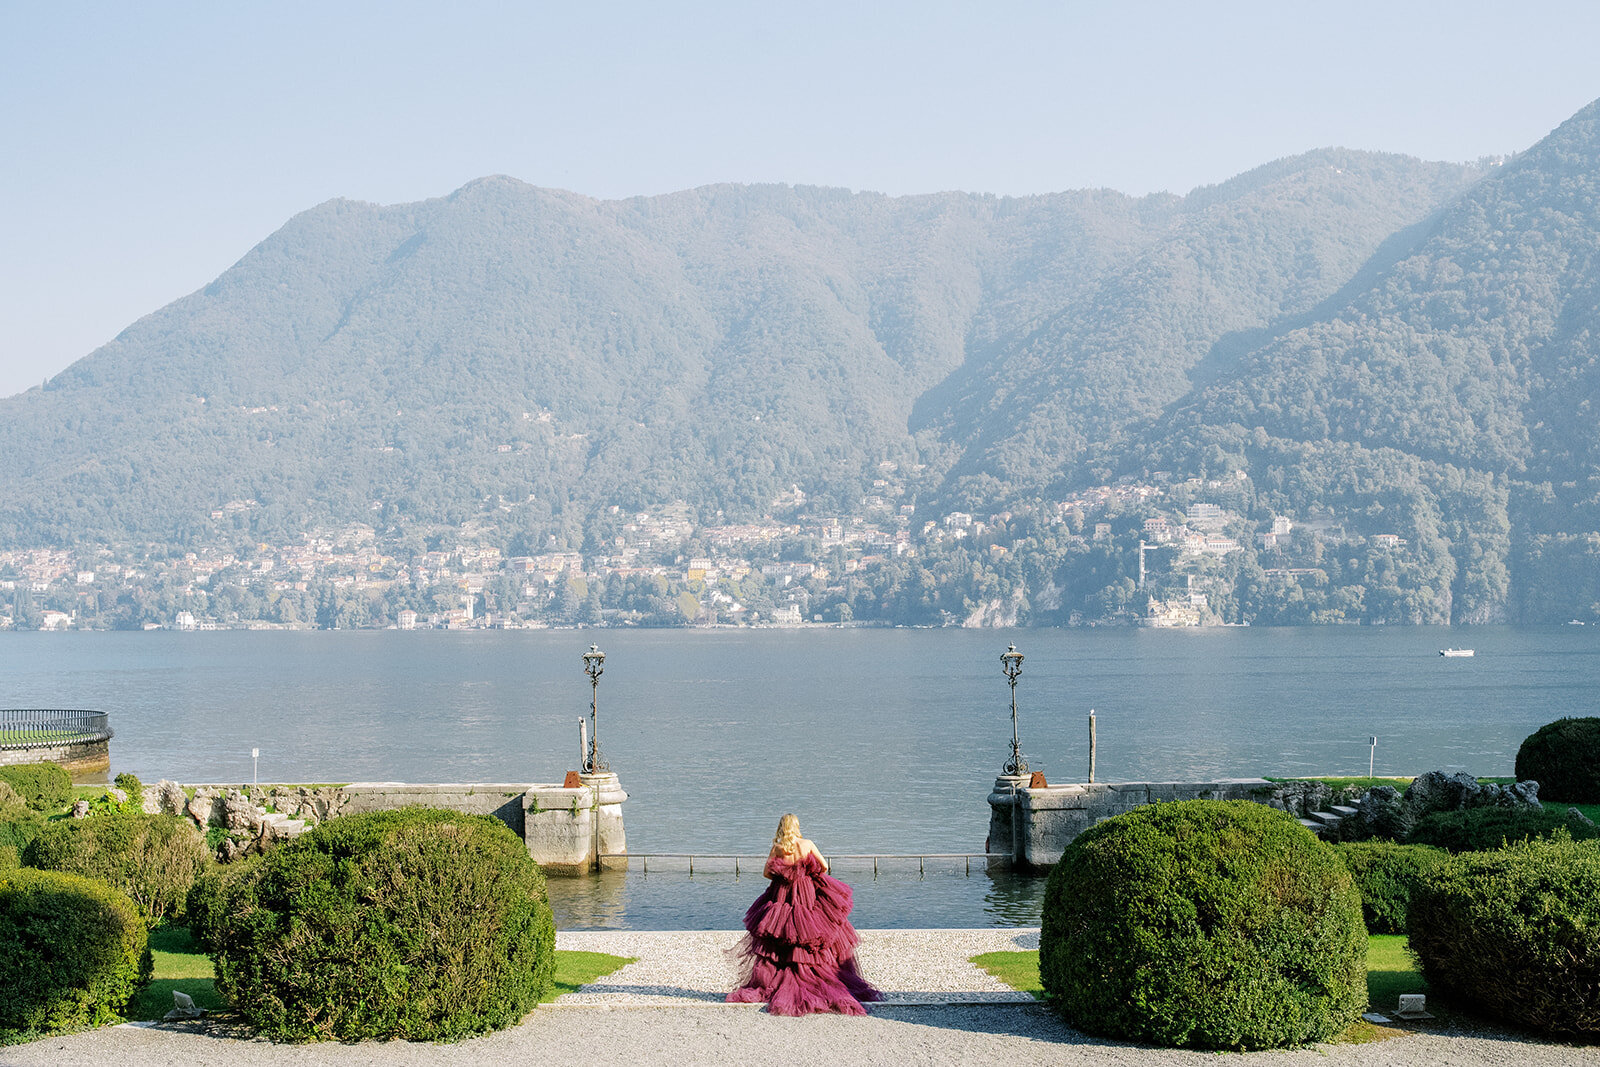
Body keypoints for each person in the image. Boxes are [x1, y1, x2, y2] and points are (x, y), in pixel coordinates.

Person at [726, 813, 881, 1015]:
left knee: (781, 933)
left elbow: (766, 873)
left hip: (782, 894)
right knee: (808, 933)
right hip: (805, 892)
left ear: (782, 827)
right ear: (797, 826)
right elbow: (824, 866)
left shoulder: (778, 848)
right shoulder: (806, 844)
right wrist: (805, 872)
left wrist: (784, 872)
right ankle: (814, 976)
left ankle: (781, 978)